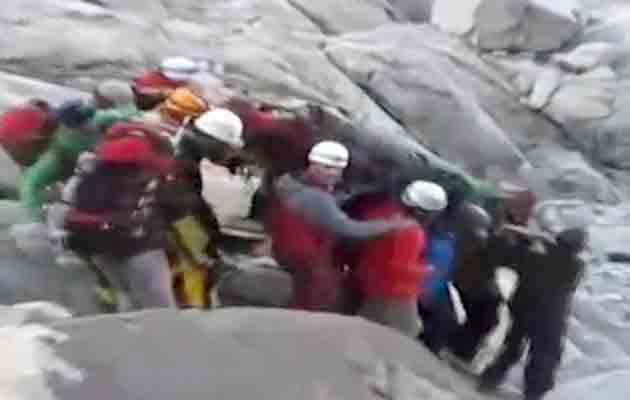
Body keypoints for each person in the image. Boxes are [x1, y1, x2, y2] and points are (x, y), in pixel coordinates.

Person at [268, 140, 414, 312]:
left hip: (285, 254)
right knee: (312, 307)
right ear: (312, 164)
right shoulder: (314, 198)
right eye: (327, 168)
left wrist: (361, 191)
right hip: (306, 265)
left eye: (338, 169)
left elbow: (326, 203)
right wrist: (391, 226)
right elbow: (348, 228)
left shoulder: (290, 183)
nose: (334, 174)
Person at [479, 227, 588, 400]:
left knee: (512, 346)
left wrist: (533, 239)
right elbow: (571, 283)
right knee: (544, 356)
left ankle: (489, 379)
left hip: (523, 307)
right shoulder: (575, 266)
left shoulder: (534, 253)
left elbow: (513, 257)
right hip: (549, 316)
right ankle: (533, 394)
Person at [20, 80, 142, 220]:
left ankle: (33, 219)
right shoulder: (98, 111)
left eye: (99, 98)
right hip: (65, 154)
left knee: (32, 183)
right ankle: (34, 218)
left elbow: (113, 117)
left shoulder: (117, 115)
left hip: (89, 160)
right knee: (33, 182)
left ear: (110, 101)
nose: (94, 100)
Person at [348, 180, 447, 338]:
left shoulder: (390, 217)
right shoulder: (413, 232)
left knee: (365, 328)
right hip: (394, 293)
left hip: (372, 282)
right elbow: (398, 266)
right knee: (406, 333)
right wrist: (426, 270)